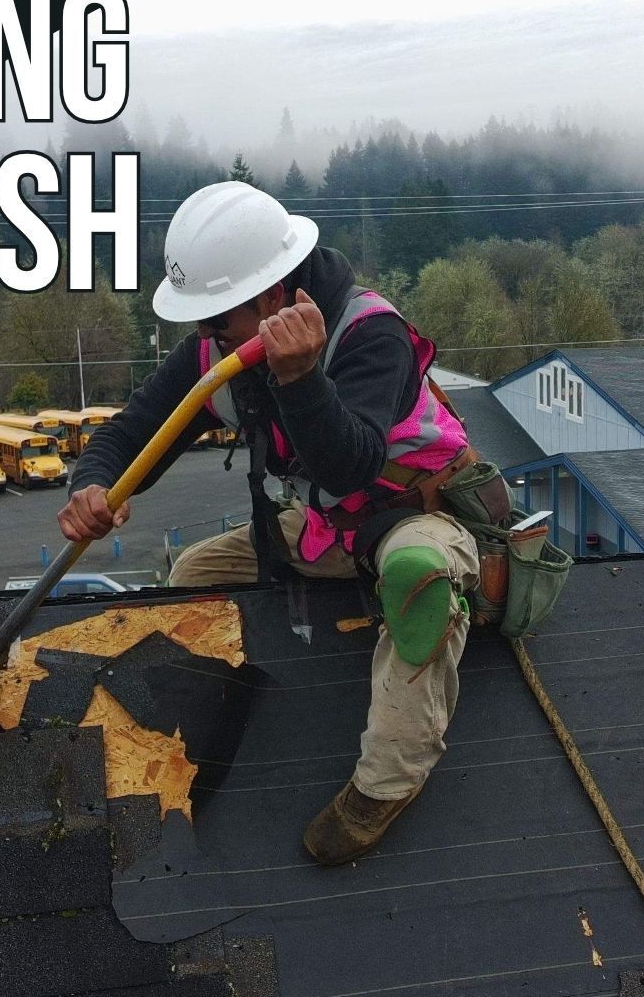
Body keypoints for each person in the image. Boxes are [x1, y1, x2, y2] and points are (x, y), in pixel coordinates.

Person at [59, 180, 482, 866]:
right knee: (193, 578)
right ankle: (199, 734)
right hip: (324, 525)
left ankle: (383, 786)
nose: (205, 336)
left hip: (414, 512)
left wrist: (302, 379)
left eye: (216, 318)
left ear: (274, 294)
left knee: (416, 576)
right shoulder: (218, 351)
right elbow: (136, 431)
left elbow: (352, 465)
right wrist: (93, 484)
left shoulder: (371, 334)